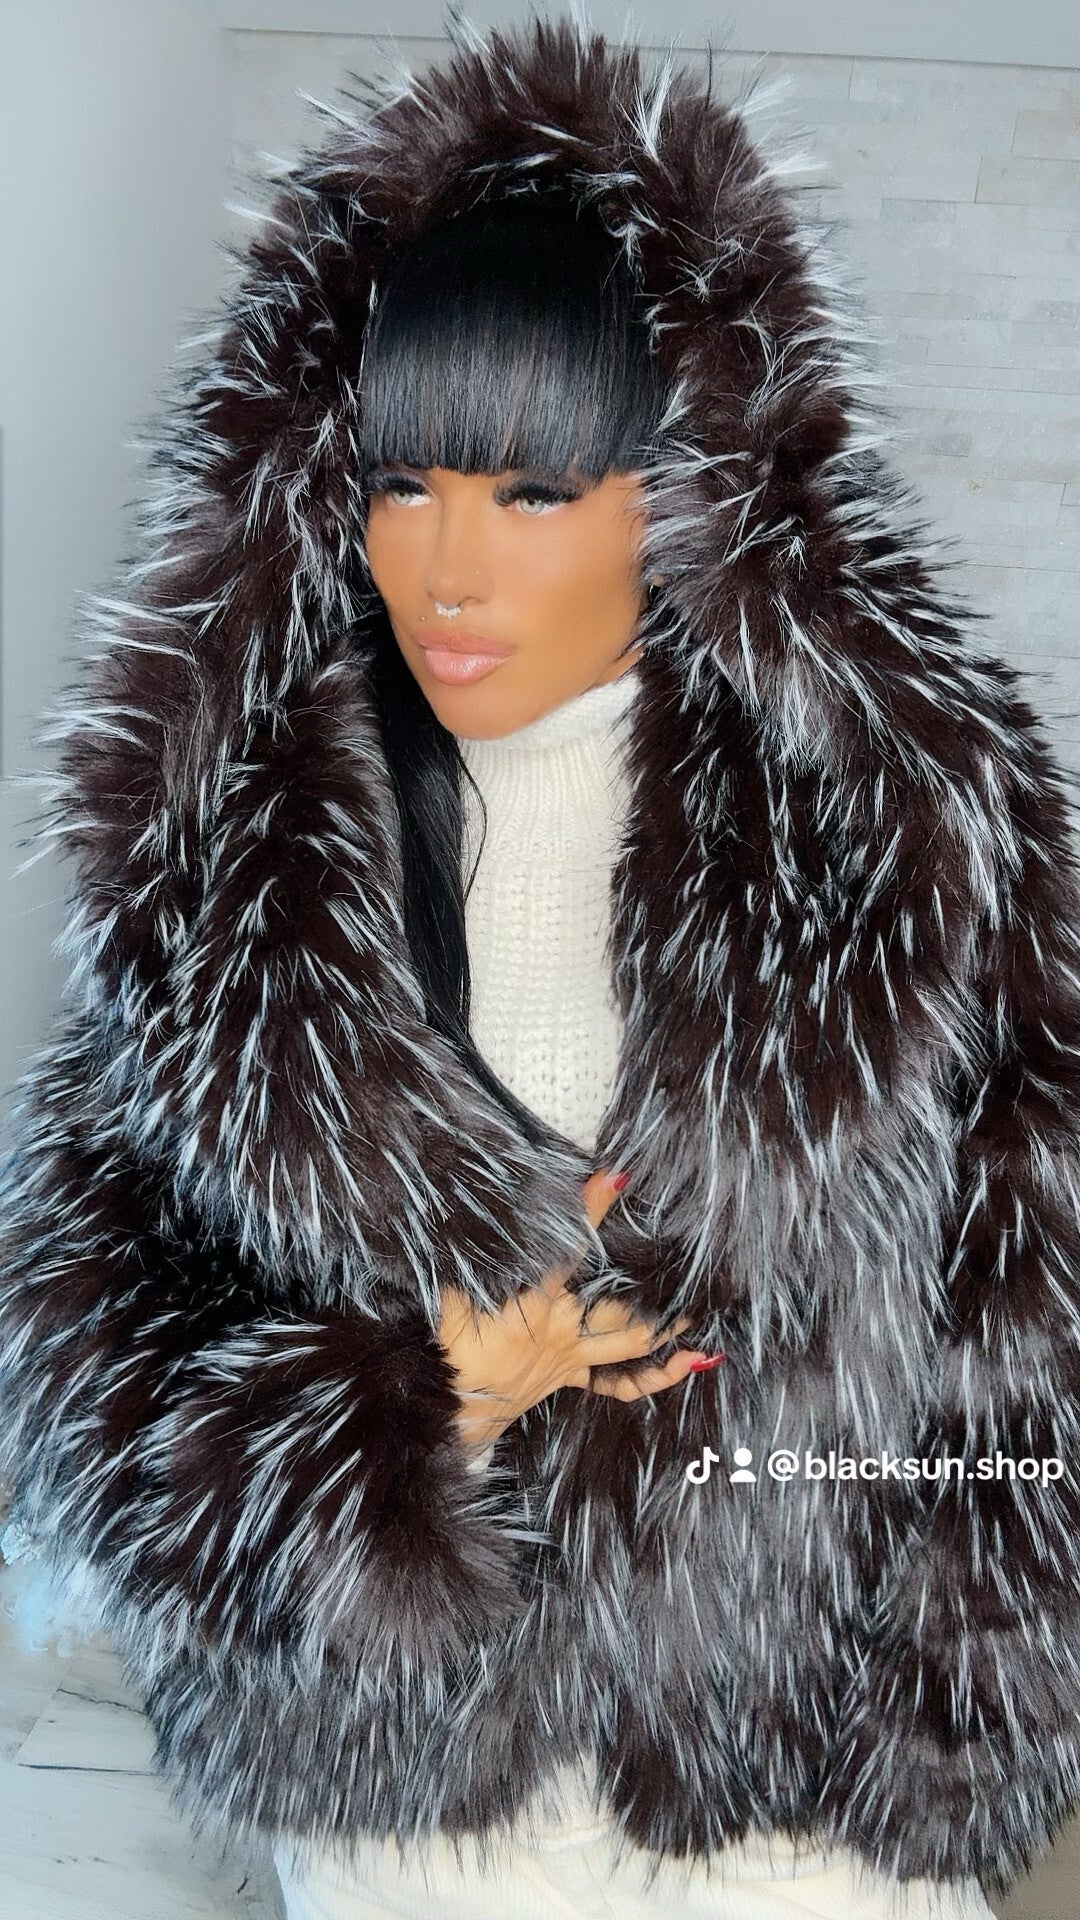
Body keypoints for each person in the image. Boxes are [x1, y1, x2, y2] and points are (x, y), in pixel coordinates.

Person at [1, 13, 1077, 1920]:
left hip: (786, 1770)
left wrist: (960, 1727)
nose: (446, 569)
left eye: (532, 492)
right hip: (410, 1781)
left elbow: (1030, 1309)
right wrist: (405, 1409)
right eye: (400, 483)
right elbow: (83, 1386)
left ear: (688, 487)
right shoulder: (230, 857)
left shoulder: (911, 812)